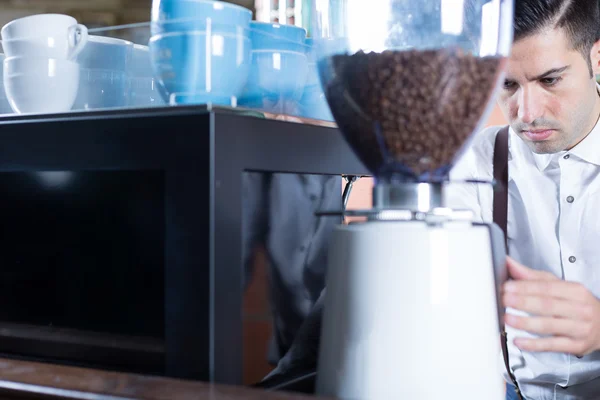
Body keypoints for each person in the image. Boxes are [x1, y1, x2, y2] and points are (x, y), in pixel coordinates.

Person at [266, 0, 600, 399]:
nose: (526, 112)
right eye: (508, 85)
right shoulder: (470, 159)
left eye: (550, 80)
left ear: (597, 58)